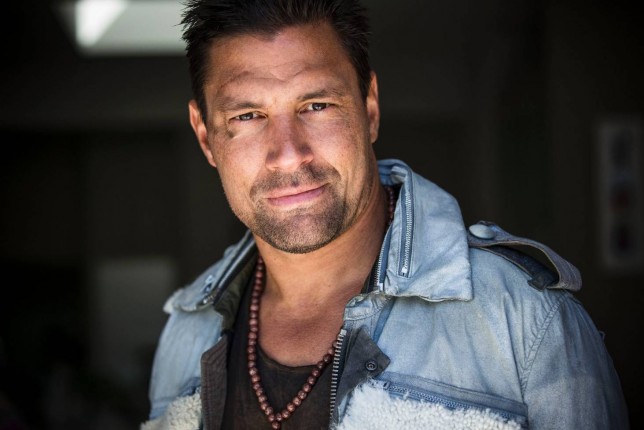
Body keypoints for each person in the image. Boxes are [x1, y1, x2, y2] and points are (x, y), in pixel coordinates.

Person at [142, 0, 629, 428]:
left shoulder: (523, 319)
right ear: (206, 136)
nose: (288, 155)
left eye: (317, 105)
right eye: (247, 116)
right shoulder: (186, 333)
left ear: (369, 108)